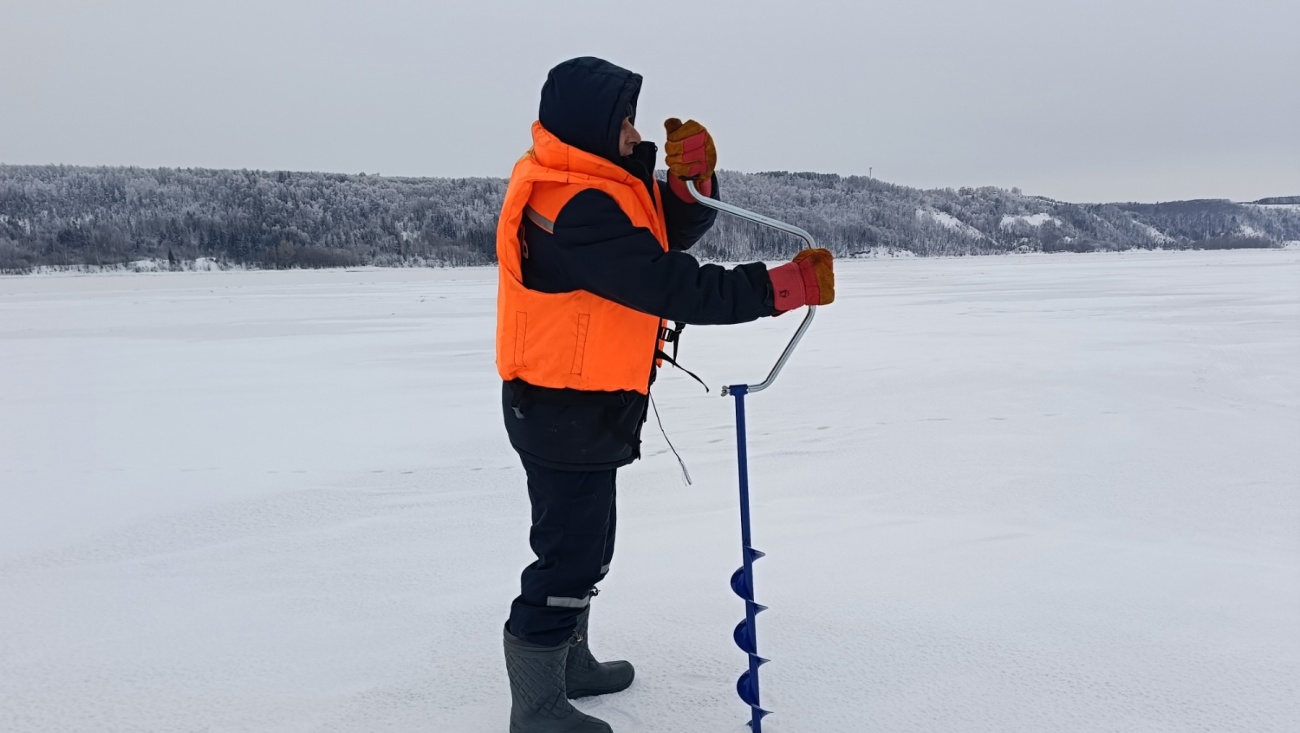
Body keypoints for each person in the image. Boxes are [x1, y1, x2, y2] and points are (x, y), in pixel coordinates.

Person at [495, 56, 835, 732]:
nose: (633, 132)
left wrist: (693, 184)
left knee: (588, 546)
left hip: (583, 403)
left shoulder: (596, 185)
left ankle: (570, 663)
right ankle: (537, 707)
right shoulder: (573, 205)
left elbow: (659, 229)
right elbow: (668, 281)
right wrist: (778, 288)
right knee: (567, 554)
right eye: (624, 119)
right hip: (561, 405)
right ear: (593, 125)